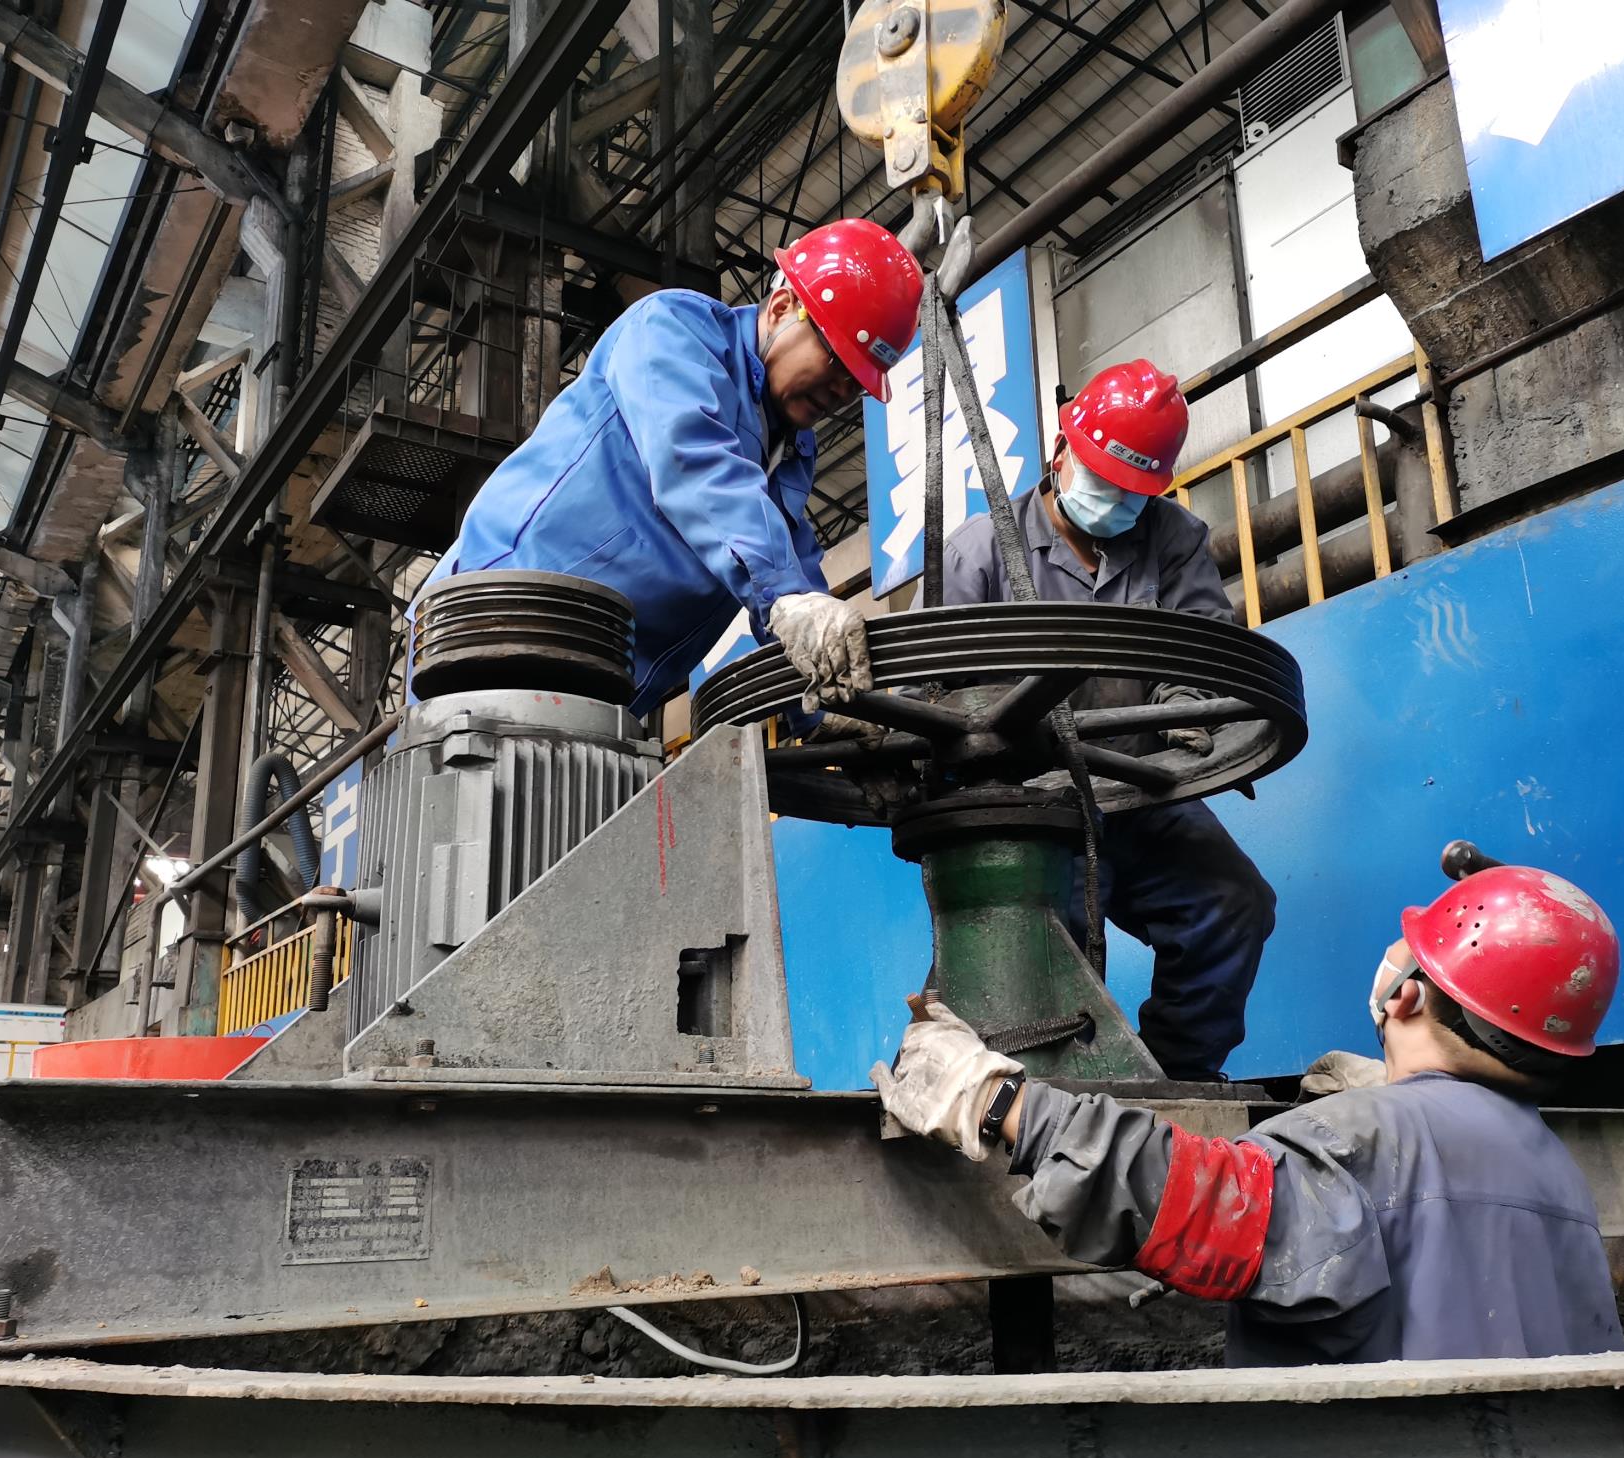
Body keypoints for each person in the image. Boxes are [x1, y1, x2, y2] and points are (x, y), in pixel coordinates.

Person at [870, 862, 1624, 1366]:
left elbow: (1200, 1205)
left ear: (1406, 997)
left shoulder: (1362, 1139)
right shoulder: (1555, 1168)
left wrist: (993, 1099)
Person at [916, 359, 1274, 1080]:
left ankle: (1177, 1076)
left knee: (1233, 901)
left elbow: (1199, 645)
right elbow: (932, 687)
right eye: (1104, 480)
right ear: (1061, 451)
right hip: (1033, 805)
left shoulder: (1172, 538)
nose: (1115, 501)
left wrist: (1184, 703)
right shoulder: (979, 552)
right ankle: (1030, 1093)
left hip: (1143, 789)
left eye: (1134, 492)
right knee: (1039, 944)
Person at [421, 218, 924, 717]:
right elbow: (694, 462)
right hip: (492, 627)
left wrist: (826, 708)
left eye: (858, 383)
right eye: (837, 360)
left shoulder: (791, 448)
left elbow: (794, 571)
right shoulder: (676, 329)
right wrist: (789, 598)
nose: (841, 392)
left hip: (602, 693)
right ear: (781, 307)